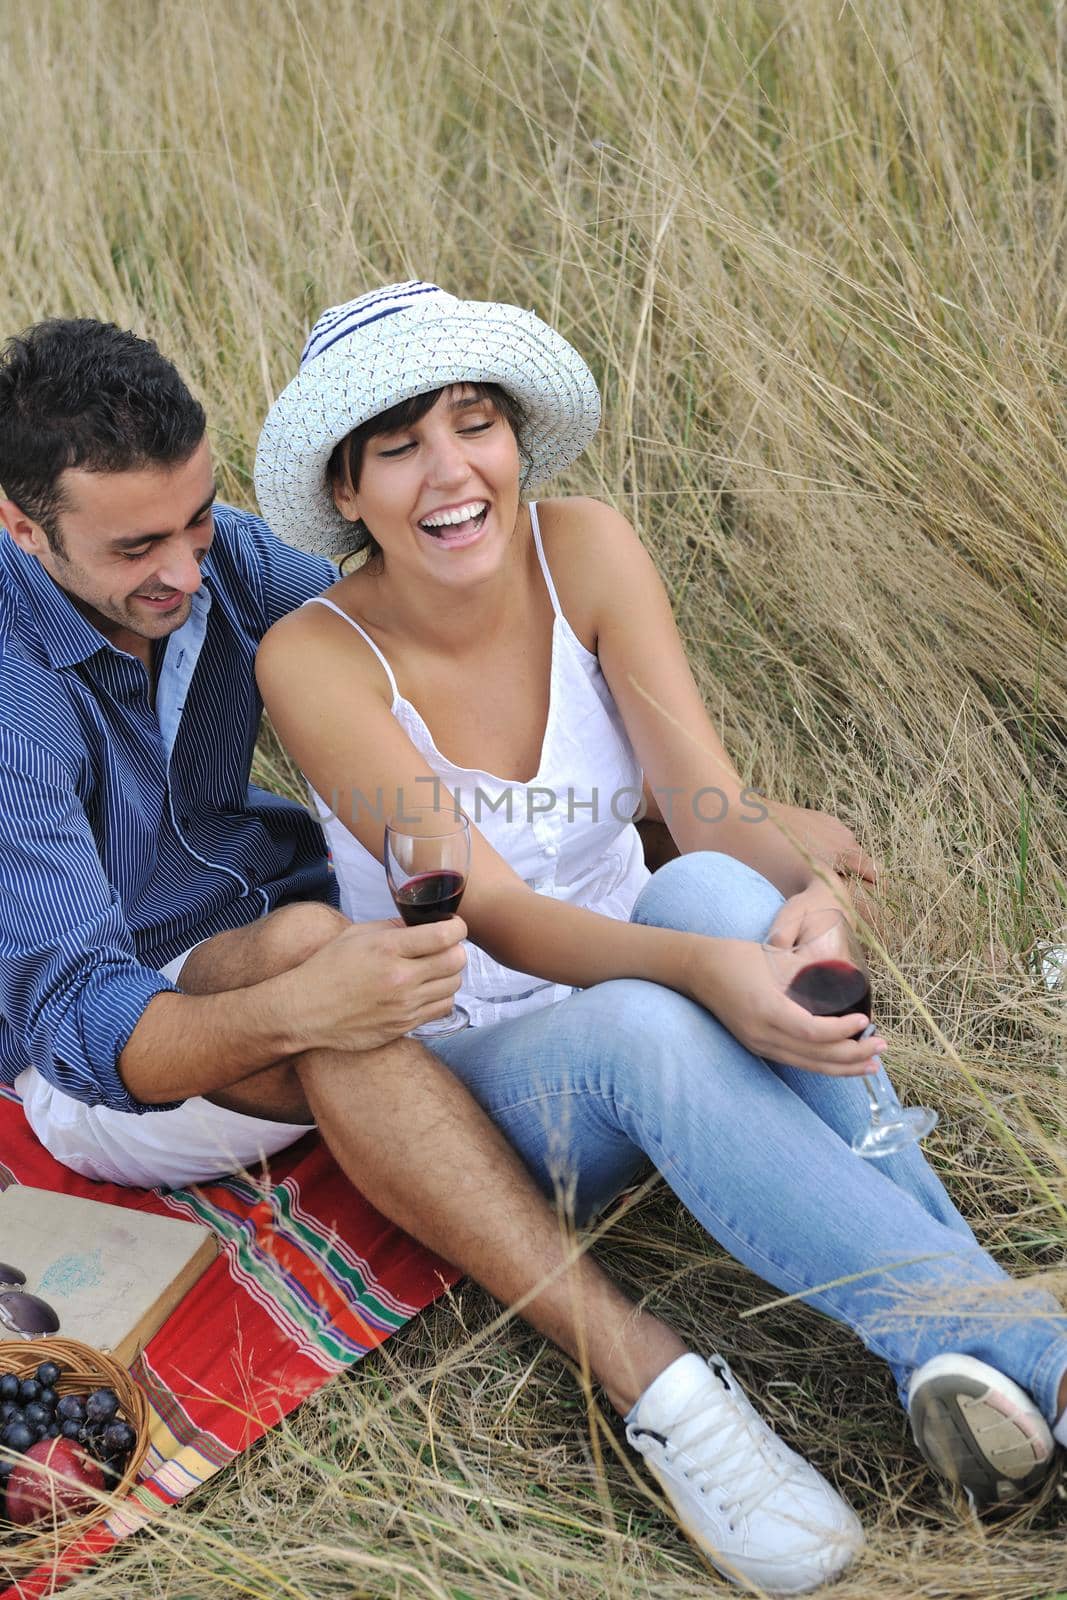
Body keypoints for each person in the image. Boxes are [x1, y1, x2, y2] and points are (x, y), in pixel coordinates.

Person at [0, 315, 888, 1598]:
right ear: (24, 529)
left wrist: (702, 815)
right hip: (111, 1054)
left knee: (382, 944)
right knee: (331, 971)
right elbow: (78, 1023)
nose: (187, 570)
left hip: (318, 930)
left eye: (199, 521)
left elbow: (419, 691)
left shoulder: (221, 560)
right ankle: (663, 1389)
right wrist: (306, 995)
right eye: (137, 547)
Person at [253, 282, 1067, 1588]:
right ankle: (1027, 1353)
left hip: (643, 955)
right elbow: (488, 910)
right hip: (492, 1059)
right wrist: (705, 973)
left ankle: (956, 1358)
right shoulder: (314, 654)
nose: (449, 473)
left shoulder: (582, 547)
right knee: (661, 996)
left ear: (516, 435)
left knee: (718, 897)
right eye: (398, 448)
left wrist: (810, 899)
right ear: (346, 492)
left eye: (473, 425)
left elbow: (699, 804)